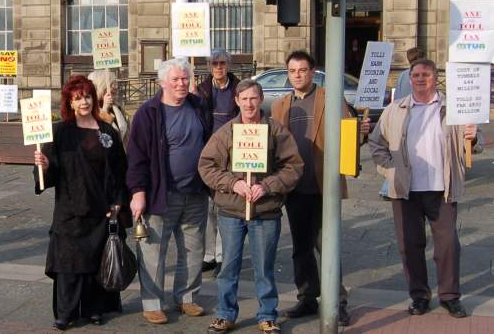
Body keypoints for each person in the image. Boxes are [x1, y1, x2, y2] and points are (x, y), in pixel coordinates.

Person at [369, 59, 479, 318]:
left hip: (442, 188)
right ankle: (419, 296)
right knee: (410, 245)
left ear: (435, 76)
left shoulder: (453, 109)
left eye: (426, 74)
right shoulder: (395, 109)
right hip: (405, 190)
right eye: (416, 75)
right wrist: (390, 170)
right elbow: (376, 143)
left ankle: (450, 296)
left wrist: (472, 137)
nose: (420, 79)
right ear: (410, 78)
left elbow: (474, 145)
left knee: (448, 245)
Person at [271, 50, 370, 326]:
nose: (297, 75)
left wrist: (361, 133)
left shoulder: (330, 98)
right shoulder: (281, 105)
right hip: (295, 188)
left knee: (327, 245)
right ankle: (307, 297)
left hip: (324, 187)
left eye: (302, 70)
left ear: (313, 72)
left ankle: (337, 301)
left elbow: (350, 134)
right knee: (300, 247)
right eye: (292, 71)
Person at [199, 79, 303, 334]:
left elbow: (293, 167)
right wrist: (233, 184)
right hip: (232, 211)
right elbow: (207, 165)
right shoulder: (225, 132)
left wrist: (267, 185)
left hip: (265, 211)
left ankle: (267, 314)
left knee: (264, 267)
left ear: (260, 99)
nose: (249, 103)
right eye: (243, 99)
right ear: (236, 101)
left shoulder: (276, 131)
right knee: (229, 267)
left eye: (253, 98)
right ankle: (225, 314)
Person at [33, 75, 131, 331]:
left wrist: (119, 202)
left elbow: (121, 171)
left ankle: (94, 309)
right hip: (70, 210)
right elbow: (50, 175)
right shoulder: (61, 132)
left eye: (87, 96)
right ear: (70, 102)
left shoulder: (107, 131)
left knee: (97, 262)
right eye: (78, 98)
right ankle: (65, 314)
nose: (84, 102)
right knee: (68, 264)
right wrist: (44, 166)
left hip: (102, 209)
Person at [126, 58, 210, 325]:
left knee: (194, 250)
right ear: (162, 82)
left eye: (184, 78)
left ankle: (186, 298)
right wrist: (138, 191)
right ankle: (152, 303)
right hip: (160, 194)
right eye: (175, 79)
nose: (181, 84)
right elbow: (136, 156)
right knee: (152, 252)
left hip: (195, 193)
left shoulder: (198, 106)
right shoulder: (148, 113)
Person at [196, 48, 240, 276]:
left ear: (228, 65)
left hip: (231, 153)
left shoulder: (237, 88)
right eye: (214, 64)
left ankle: (223, 254)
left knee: (224, 205)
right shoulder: (202, 89)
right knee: (208, 207)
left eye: (222, 63)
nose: (219, 67)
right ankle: (209, 254)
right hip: (208, 152)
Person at [379, 47, 425, 199]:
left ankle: (388, 187)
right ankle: (388, 188)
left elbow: (396, 98)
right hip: (415, 118)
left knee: (398, 153)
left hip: (401, 118)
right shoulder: (421, 76)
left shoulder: (402, 76)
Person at [88, 70, 130, 147]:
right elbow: (99, 133)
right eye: (111, 84)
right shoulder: (90, 109)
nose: (116, 87)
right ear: (102, 86)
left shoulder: (117, 107)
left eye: (115, 83)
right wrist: (105, 109)